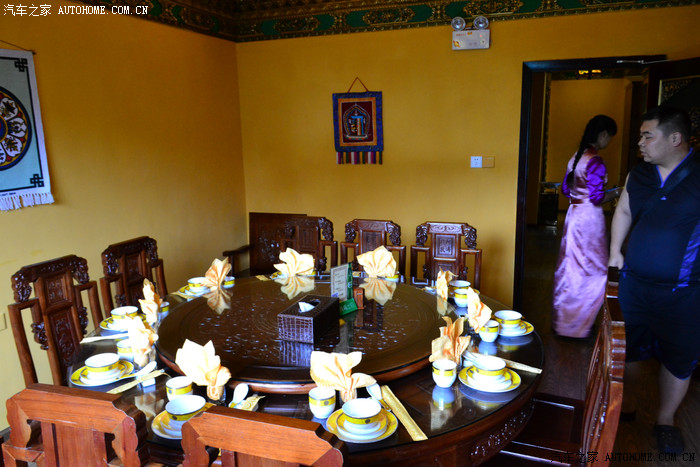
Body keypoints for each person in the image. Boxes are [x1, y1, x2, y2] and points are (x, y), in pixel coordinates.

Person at [609, 106, 698, 454]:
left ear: (675, 138)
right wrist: (615, 251)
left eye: (647, 136)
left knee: (678, 357)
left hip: (684, 291)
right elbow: (624, 210)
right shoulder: (640, 174)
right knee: (628, 349)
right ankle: (627, 407)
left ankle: (665, 420)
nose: (640, 143)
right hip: (634, 284)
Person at [552, 115, 621, 338]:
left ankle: (567, 322)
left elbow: (565, 190)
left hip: (573, 215)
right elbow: (597, 197)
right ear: (603, 134)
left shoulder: (575, 158)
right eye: (610, 137)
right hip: (590, 219)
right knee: (595, 269)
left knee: (573, 267)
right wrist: (618, 192)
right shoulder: (595, 161)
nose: (609, 142)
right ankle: (582, 323)